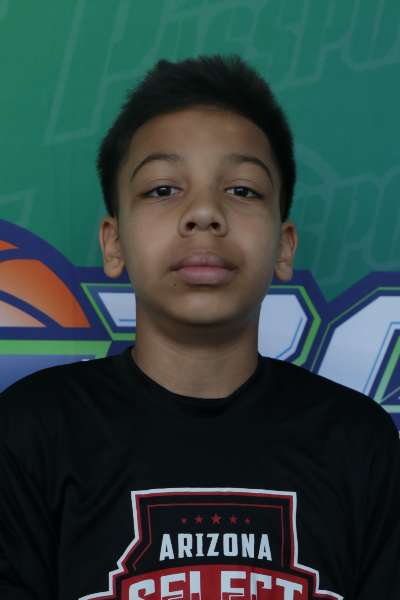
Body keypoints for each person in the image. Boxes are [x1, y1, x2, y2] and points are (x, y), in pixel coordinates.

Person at [0, 54, 399, 600]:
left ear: (284, 248)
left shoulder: (359, 443)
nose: (204, 212)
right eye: (163, 189)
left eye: (243, 189)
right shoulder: (29, 433)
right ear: (113, 243)